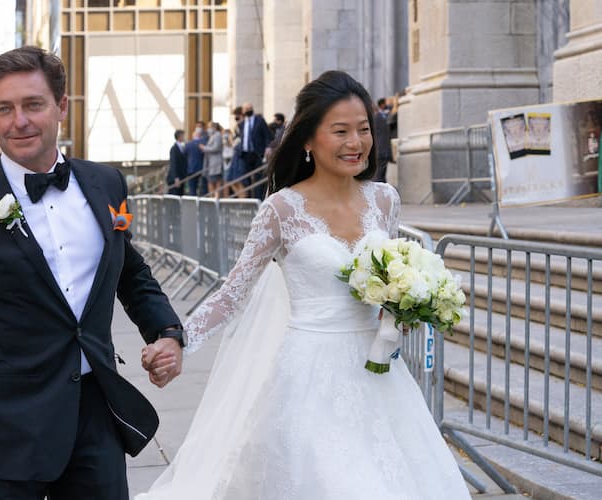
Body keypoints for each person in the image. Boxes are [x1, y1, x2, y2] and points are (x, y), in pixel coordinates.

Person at [138, 71, 470, 499]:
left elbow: (388, 277)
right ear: (309, 140)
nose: (356, 142)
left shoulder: (384, 198)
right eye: (341, 131)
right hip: (309, 376)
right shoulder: (281, 209)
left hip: (380, 375)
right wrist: (179, 340)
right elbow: (233, 292)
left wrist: (404, 308)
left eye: (364, 129)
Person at [0, 46, 185, 500]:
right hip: (6, 429)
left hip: (95, 417)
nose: (18, 121)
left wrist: (165, 330)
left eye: (33, 105)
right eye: (4, 109)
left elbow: (129, 271)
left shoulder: (106, 183)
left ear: (61, 107)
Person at [238, 102, 272, 199]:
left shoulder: (259, 120)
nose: (248, 110)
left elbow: (268, 136)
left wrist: (268, 147)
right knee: (245, 179)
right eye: (246, 109)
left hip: (257, 153)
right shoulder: (241, 124)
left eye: (250, 108)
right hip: (245, 154)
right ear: (243, 111)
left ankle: (258, 200)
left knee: (258, 179)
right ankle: (248, 201)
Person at [199, 121, 224, 197]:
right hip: (210, 164)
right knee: (210, 182)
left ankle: (216, 198)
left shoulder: (218, 135)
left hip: (216, 163)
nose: (208, 129)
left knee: (216, 182)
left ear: (214, 127)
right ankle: (212, 198)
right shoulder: (212, 136)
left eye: (210, 127)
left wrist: (204, 148)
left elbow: (216, 148)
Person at [373, 97, 392, 183]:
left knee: (381, 176)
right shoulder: (378, 117)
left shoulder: (380, 116)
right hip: (381, 151)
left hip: (381, 151)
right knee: (379, 177)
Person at [167, 129, 187, 195]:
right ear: (180, 136)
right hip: (175, 178)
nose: (184, 137)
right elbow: (173, 163)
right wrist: (175, 177)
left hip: (181, 177)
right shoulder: (174, 149)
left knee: (180, 195)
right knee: (175, 196)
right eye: (183, 136)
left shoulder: (182, 147)